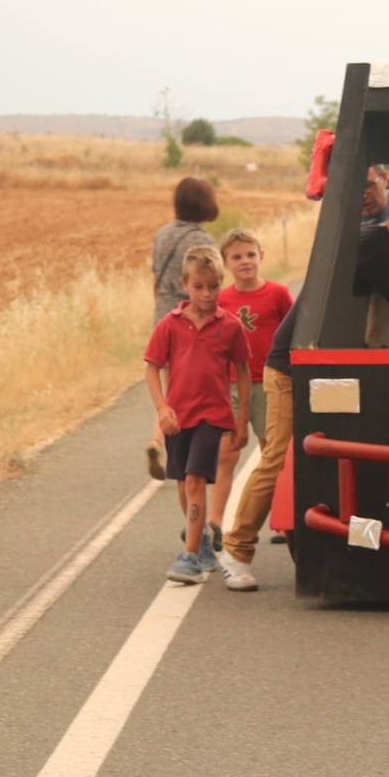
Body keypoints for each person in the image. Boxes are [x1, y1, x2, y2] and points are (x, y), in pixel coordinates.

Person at [223, 192, 389, 587]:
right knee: (277, 458)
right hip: (291, 367)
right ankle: (236, 550)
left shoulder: (376, 244)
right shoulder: (375, 245)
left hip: (324, 367)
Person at [144, 246, 251, 584]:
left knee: (194, 481)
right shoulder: (170, 325)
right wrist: (163, 408)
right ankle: (202, 542)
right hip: (178, 417)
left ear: (221, 283)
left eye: (214, 286)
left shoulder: (230, 326)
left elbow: (244, 371)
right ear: (186, 284)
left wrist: (241, 416)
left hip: (213, 416)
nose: (207, 294)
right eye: (199, 287)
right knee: (182, 485)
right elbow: (152, 367)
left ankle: (189, 557)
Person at [202, 228, 293, 583]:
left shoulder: (278, 294)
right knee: (227, 455)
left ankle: (282, 520)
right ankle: (216, 523)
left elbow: (291, 332)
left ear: (261, 257)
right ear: (226, 264)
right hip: (233, 385)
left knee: (274, 449)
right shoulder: (222, 300)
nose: (245, 262)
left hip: (269, 381)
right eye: (237, 257)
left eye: (250, 255)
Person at [146, 177, 221, 479]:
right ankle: (173, 445)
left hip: (162, 312)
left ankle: (156, 440)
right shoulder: (201, 241)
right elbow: (209, 283)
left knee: (168, 383)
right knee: (186, 387)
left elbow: (155, 275)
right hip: (190, 318)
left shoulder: (163, 234)